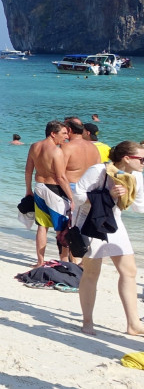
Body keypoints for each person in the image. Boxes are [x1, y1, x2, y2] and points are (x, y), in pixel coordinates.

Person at [74, 140, 144, 336]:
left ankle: (134, 324)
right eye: (142, 159)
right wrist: (107, 193)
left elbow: (139, 207)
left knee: (129, 271)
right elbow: (77, 196)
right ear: (127, 158)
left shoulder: (136, 176)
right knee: (91, 273)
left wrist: (127, 193)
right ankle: (87, 322)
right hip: (91, 223)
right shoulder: (98, 170)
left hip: (114, 223)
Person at [25, 120, 70, 266]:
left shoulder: (34, 146)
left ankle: (40, 261)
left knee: (42, 226)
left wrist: (28, 190)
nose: (66, 136)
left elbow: (28, 170)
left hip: (39, 187)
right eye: (63, 133)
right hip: (54, 190)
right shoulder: (56, 151)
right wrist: (72, 197)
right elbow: (61, 177)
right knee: (61, 227)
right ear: (53, 133)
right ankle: (63, 261)